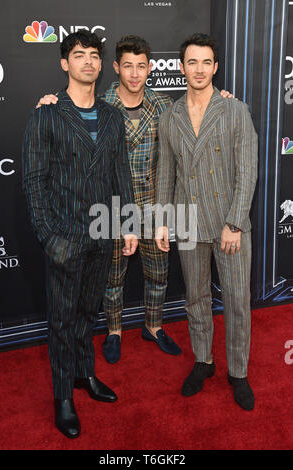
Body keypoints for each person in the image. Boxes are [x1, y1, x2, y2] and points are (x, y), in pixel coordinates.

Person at [36, 35, 233, 365]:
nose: (134, 73)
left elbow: (194, 124)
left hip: (158, 205)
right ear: (115, 67)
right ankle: (114, 331)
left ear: (150, 68)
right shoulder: (99, 107)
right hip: (111, 208)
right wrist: (49, 103)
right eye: (127, 65)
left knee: (159, 273)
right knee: (112, 278)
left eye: (141, 66)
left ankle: (154, 326)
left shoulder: (165, 106)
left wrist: (223, 98)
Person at [23, 30, 138, 439]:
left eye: (93, 55)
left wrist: (127, 224)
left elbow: (120, 172)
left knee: (89, 311)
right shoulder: (47, 114)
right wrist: (50, 238)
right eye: (78, 55)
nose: (87, 62)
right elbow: (34, 182)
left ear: (100, 64)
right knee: (61, 319)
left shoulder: (111, 116)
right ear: (64, 63)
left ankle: (84, 376)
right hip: (65, 238)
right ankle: (62, 397)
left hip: (103, 234)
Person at [155, 33, 258, 411]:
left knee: (236, 301)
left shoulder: (235, 110)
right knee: (195, 297)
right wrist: (163, 221)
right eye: (192, 62)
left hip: (228, 223)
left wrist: (235, 221)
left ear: (215, 67)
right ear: (181, 67)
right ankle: (203, 360)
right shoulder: (170, 116)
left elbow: (248, 170)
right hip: (187, 220)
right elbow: (165, 172)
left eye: (206, 62)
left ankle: (239, 372)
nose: (199, 70)